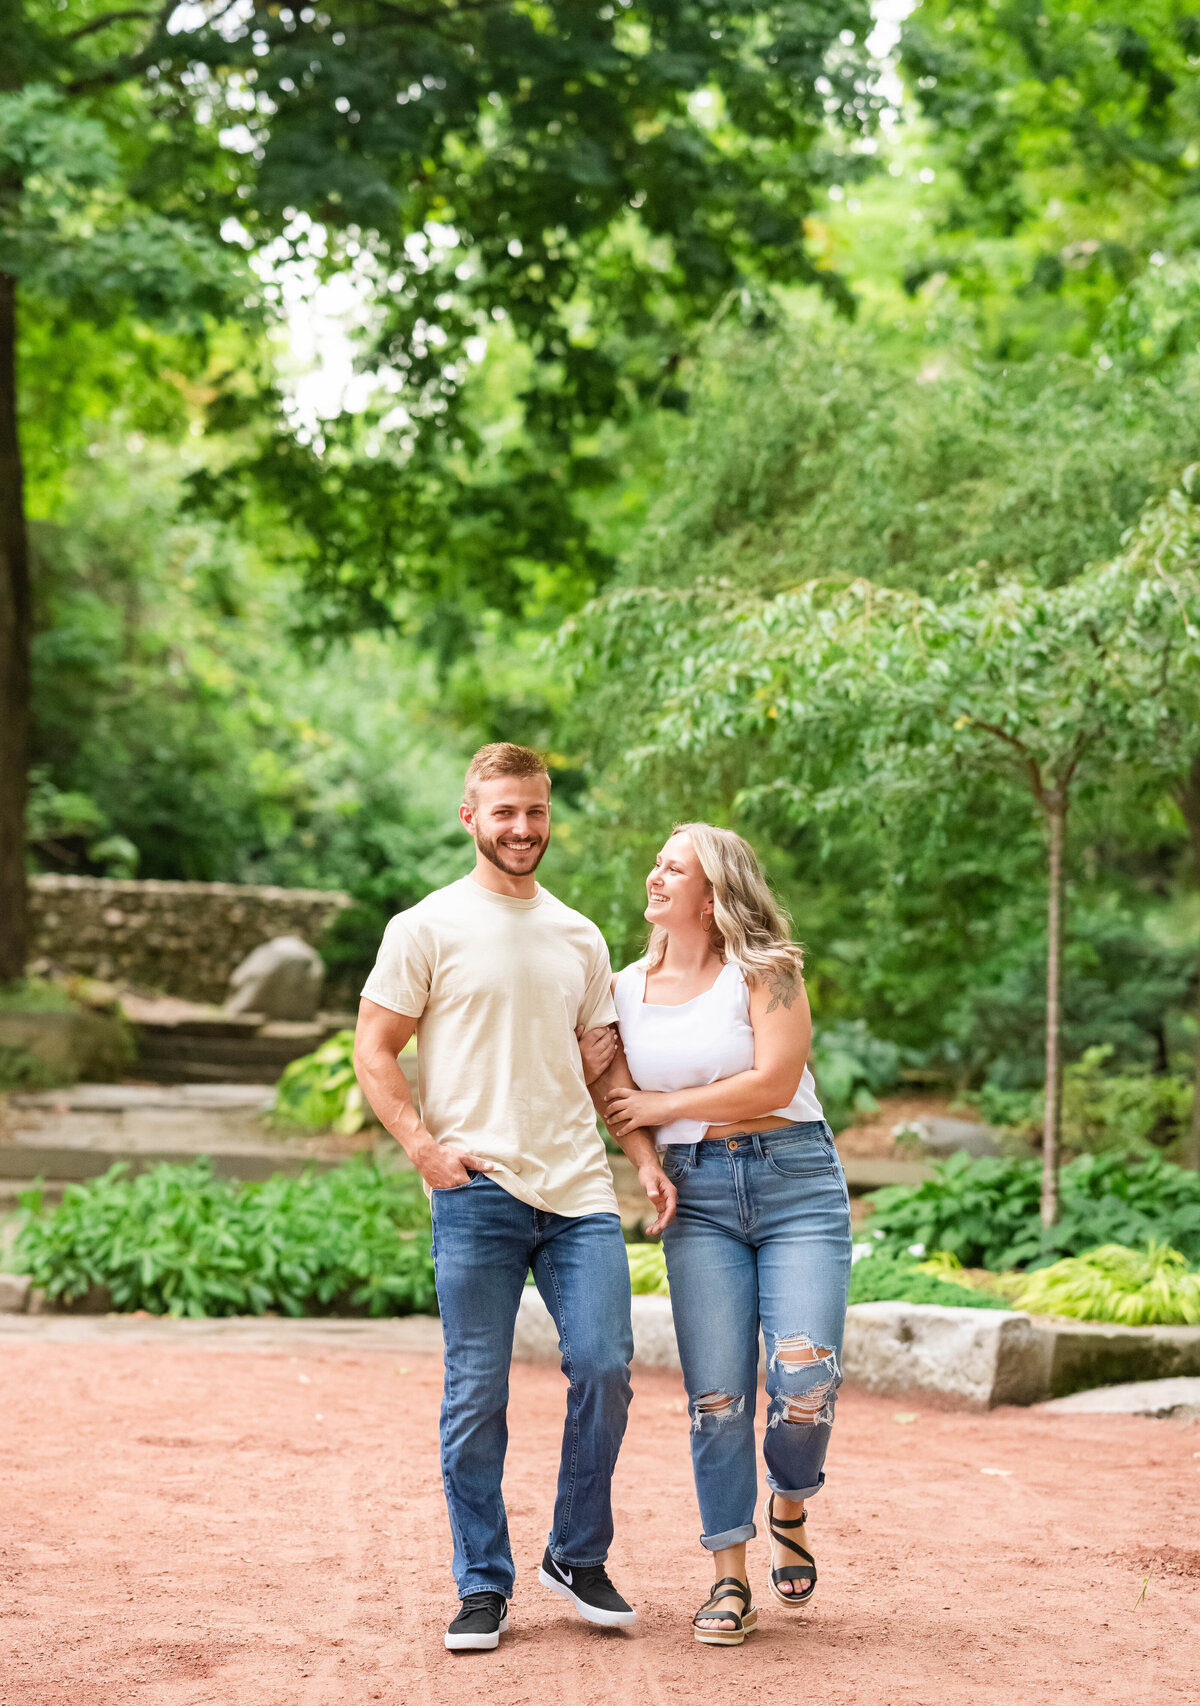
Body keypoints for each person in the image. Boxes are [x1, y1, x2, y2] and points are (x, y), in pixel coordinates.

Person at [353, 742, 676, 1654]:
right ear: (470, 817)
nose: (521, 828)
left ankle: (575, 1555)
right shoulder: (425, 927)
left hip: (576, 1192)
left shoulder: (579, 935)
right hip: (477, 1192)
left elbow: (603, 1065)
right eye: (503, 813)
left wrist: (642, 1156)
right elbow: (374, 1050)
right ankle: (483, 1583)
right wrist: (424, 1148)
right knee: (475, 1397)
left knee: (608, 1367)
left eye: (534, 812)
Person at [599, 823, 851, 1647]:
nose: (655, 872)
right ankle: (728, 1578)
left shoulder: (768, 970)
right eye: (658, 859)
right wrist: (648, 1160)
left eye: (676, 865)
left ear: (714, 894)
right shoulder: (622, 985)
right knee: (715, 1398)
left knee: (804, 1378)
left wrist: (666, 1112)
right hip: (696, 1196)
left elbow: (775, 1079)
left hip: (795, 1182)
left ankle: (788, 1496)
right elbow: (615, 1091)